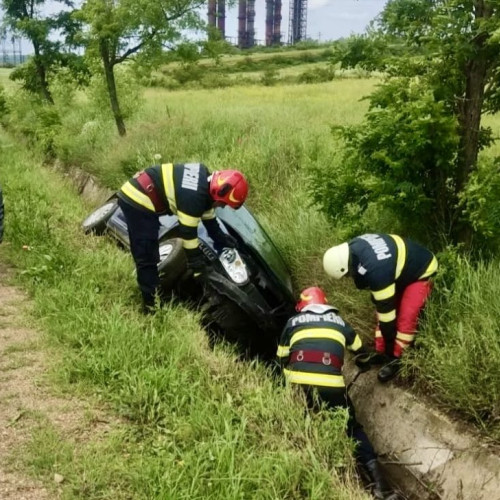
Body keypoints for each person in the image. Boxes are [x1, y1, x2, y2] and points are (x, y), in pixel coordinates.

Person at [277, 287, 397, 500]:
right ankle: (383, 489)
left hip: (297, 384)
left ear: (303, 306)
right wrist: (363, 363)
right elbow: (360, 351)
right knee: (351, 428)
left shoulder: (291, 323)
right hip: (331, 385)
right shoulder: (340, 322)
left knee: (303, 423)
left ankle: (317, 471)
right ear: (325, 304)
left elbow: (282, 357)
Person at [117, 162, 248, 312]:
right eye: (223, 204)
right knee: (147, 256)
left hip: (143, 191)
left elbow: (209, 218)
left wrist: (222, 239)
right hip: (137, 200)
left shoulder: (203, 178)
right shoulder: (193, 198)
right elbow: (189, 236)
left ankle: (153, 295)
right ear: (218, 192)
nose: (222, 207)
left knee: (150, 250)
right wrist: (198, 267)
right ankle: (151, 307)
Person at [323, 233, 438, 382]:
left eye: (347, 275)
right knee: (383, 316)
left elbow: (387, 314)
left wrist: (390, 344)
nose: (349, 278)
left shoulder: (377, 271)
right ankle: (381, 351)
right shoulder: (354, 247)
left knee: (406, 318)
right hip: (402, 269)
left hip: (422, 271)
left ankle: (397, 358)